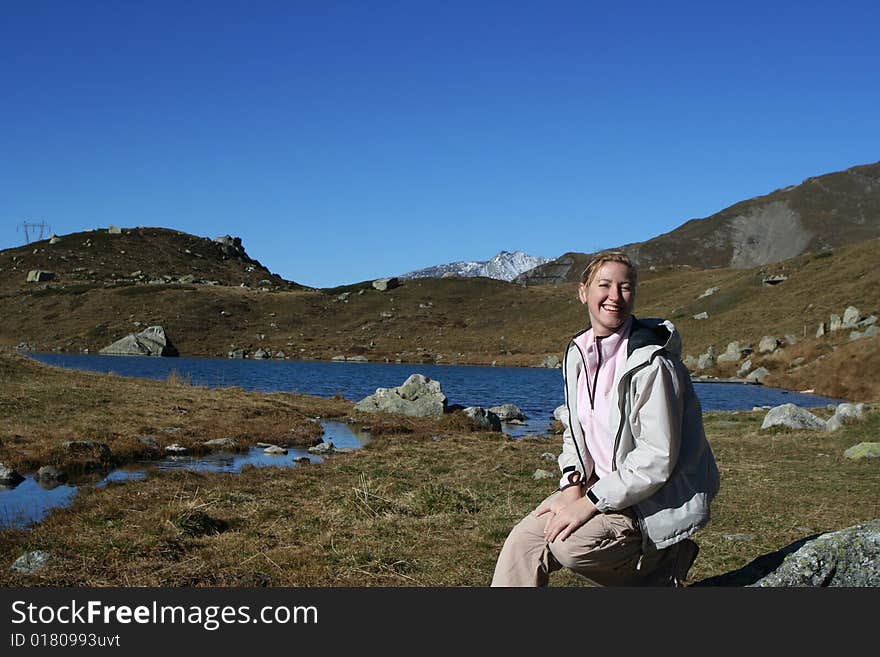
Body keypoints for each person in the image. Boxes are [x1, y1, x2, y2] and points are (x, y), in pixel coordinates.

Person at [491, 250, 720, 587]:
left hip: (646, 501)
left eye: (625, 287)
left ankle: (661, 569)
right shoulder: (579, 352)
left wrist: (589, 504)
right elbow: (575, 429)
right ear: (583, 292)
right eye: (605, 285)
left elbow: (656, 459)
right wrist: (572, 485)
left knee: (569, 546)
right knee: (523, 542)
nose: (615, 296)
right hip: (596, 486)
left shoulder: (653, 365)